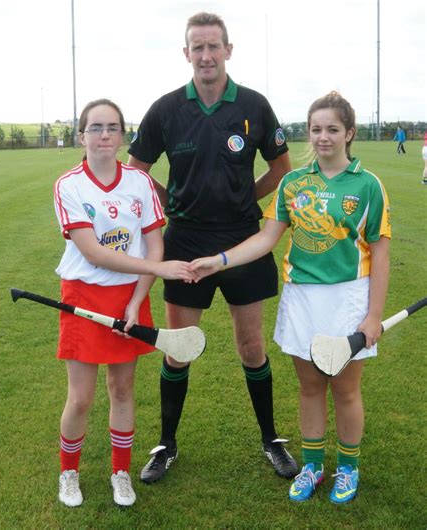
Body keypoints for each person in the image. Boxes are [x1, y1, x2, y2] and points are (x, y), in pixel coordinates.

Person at [190, 91, 391, 505]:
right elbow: (266, 238)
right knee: (310, 387)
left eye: (332, 129)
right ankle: (313, 466)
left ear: (349, 133)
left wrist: (374, 316)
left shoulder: (368, 185)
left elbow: (381, 256)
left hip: (348, 300)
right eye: (316, 129)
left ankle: (348, 468)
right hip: (302, 299)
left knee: (345, 390)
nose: (323, 137)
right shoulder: (293, 183)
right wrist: (220, 260)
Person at [128, 11, 297, 483]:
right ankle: (166, 446)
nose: (206, 55)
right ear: (187, 53)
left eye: (213, 46)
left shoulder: (254, 105)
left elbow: (281, 168)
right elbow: (136, 169)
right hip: (185, 242)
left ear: (228, 50)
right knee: (179, 348)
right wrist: (171, 203)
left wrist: (247, 199)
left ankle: (271, 439)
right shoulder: (166, 109)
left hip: (243, 239)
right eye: (197, 47)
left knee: (251, 345)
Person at [53, 98, 194, 508]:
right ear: (82, 135)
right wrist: (160, 269)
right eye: (95, 128)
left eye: (112, 127)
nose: (104, 135)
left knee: (122, 389)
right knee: (80, 397)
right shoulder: (69, 185)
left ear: (122, 135)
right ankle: (69, 473)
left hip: (129, 296)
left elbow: (154, 244)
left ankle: (121, 473)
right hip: (83, 295)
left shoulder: (139, 183)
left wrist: (137, 300)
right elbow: (94, 253)